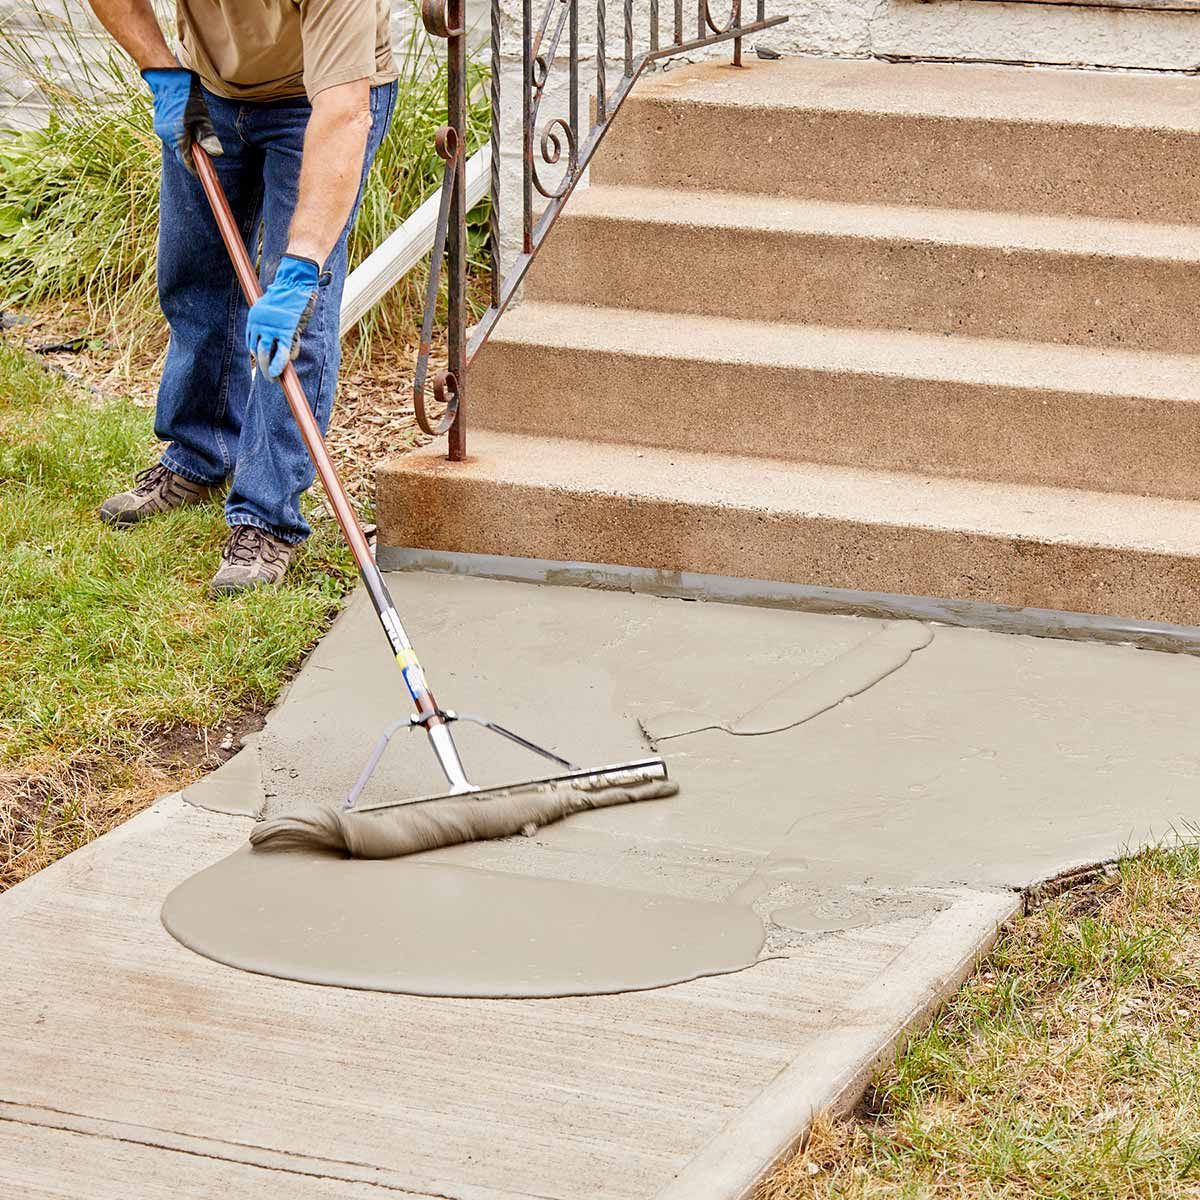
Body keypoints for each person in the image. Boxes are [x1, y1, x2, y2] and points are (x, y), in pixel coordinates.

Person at [87, 0, 397, 593]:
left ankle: (265, 516)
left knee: (294, 314)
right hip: (209, 86)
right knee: (195, 277)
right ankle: (199, 455)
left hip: (322, 94)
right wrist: (161, 68)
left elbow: (341, 112)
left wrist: (301, 269)